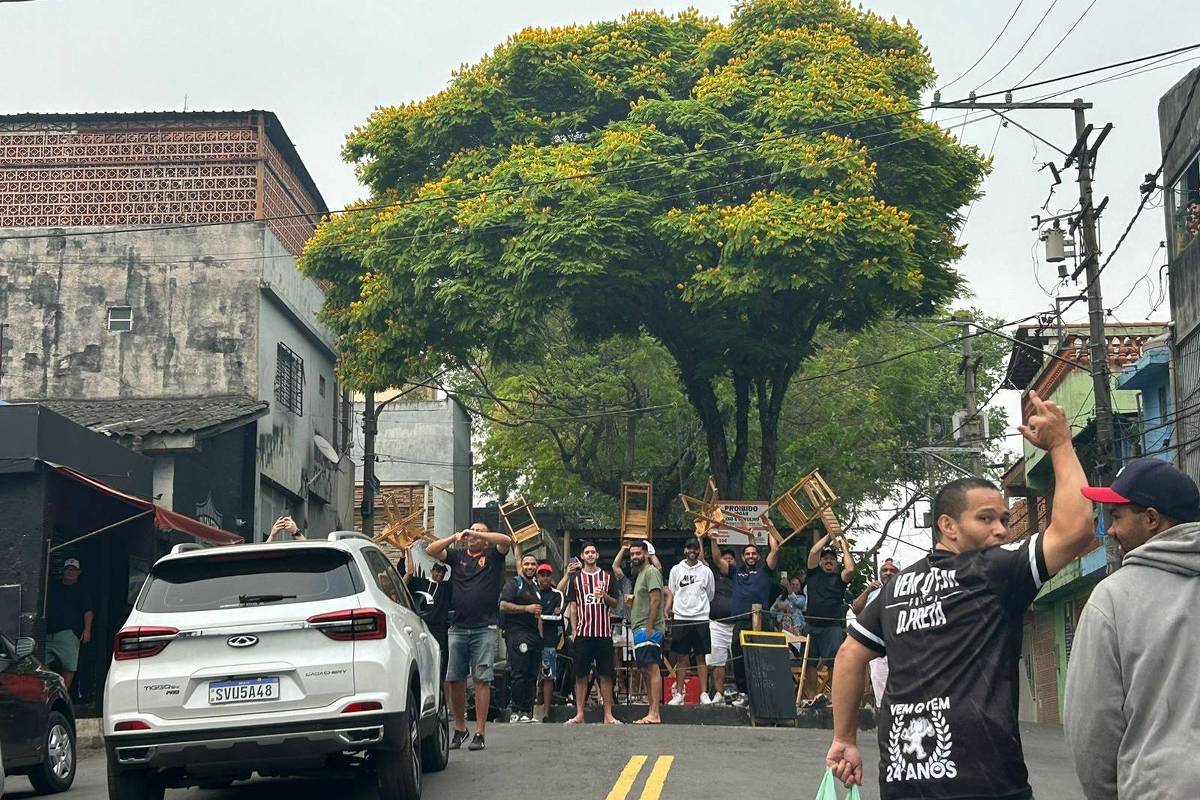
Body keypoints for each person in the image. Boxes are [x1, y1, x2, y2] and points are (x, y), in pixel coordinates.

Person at [826, 390, 1096, 799]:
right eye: (986, 518)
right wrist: (1060, 444)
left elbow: (849, 655)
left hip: (903, 783)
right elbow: (1076, 529)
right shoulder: (996, 569)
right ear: (948, 526)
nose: (1002, 530)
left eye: (1005, 519)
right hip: (983, 783)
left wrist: (844, 738)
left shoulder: (893, 590)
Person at [1064, 458, 1200, 799]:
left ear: (1151, 519)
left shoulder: (1111, 599)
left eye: (1116, 516)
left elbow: (1092, 730)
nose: (1109, 530)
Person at [426, 522, 512, 752]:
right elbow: (431, 550)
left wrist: (478, 533)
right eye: (473, 531)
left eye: (481, 532)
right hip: (458, 626)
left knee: (482, 678)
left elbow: (506, 541)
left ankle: (480, 732)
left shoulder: (493, 555)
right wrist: (455, 536)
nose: (475, 535)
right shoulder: (457, 556)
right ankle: (460, 728)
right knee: (454, 678)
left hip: (484, 627)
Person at [712, 520, 782, 701]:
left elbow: (775, 550)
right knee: (739, 657)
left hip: (762, 620)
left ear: (758, 556)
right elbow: (717, 560)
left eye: (753, 553)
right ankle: (743, 693)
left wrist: (769, 528)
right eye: (747, 554)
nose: (750, 556)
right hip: (741, 621)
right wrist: (713, 541)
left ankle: (764, 693)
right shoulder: (736, 572)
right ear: (743, 557)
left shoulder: (765, 571)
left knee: (763, 657)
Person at [563, 542, 621, 724]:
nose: (590, 555)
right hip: (583, 633)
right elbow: (573, 606)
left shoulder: (607, 577)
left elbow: (615, 603)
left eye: (593, 552)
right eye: (586, 552)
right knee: (580, 674)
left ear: (597, 555)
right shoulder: (576, 579)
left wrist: (604, 596)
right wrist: (573, 630)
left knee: (606, 674)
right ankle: (580, 713)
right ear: (582, 556)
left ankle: (608, 714)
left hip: (603, 633)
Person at [805, 528, 856, 694]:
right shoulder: (813, 574)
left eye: (832, 559)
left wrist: (844, 548)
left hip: (832, 627)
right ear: (820, 562)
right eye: (825, 558)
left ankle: (834, 699)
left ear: (836, 563)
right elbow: (814, 551)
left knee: (834, 663)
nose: (828, 561)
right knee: (809, 663)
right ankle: (811, 696)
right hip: (811, 625)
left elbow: (850, 570)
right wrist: (829, 535)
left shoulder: (839, 578)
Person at [665, 537, 716, 704]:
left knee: (702, 657)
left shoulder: (706, 571)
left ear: (699, 550)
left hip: (701, 617)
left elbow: (710, 593)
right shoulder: (675, 570)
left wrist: (699, 607)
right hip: (681, 617)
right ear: (684, 550)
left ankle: (703, 694)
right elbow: (672, 591)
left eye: (695, 548)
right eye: (689, 548)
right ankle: (678, 694)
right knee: (681, 656)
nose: (692, 551)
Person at [849, 558, 900, 706]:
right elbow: (856, 609)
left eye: (892, 570)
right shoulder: (873, 592)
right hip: (877, 647)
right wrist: (868, 590)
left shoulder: (905, 590)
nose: (888, 573)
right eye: (885, 570)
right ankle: (882, 718)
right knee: (879, 682)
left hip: (899, 645)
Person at [499, 553, 543, 723]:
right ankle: (516, 710)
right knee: (519, 672)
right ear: (522, 566)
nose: (530, 567)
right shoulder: (514, 584)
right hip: (517, 633)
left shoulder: (536, 588)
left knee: (532, 674)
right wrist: (526, 608)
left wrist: (540, 636)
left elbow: (538, 614)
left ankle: (527, 711)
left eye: (533, 564)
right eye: (527, 564)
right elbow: (503, 605)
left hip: (534, 636)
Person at [628, 540, 665, 724]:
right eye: (632, 554)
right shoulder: (641, 574)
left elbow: (656, 600)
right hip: (640, 627)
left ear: (646, 553)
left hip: (648, 628)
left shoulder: (651, 572)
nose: (635, 557)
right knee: (646, 670)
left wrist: (650, 626)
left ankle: (655, 712)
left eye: (638, 553)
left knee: (652, 668)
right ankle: (652, 712)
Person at [45, 558, 92, 692]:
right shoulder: (53, 588)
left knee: (69, 667)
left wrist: (87, 630)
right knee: (40, 667)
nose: (70, 572)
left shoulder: (82, 590)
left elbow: (88, 612)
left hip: (68, 634)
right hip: (48, 634)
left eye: (74, 569)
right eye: (68, 569)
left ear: (79, 572)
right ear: (63, 571)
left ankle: (63, 695)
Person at [405, 556, 451, 686]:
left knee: (439, 661)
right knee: (421, 658)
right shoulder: (420, 583)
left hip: (439, 630)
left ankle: (439, 691)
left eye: (443, 572)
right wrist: (406, 554)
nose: (440, 574)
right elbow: (407, 575)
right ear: (431, 570)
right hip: (421, 627)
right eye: (437, 570)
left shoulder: (446, 588)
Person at [705, 545, 738, 701]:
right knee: (718, 662)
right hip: (717, 624)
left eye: (731, 559)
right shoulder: (713, 575)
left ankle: (742, 692)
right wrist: (701, 539)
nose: (728, 561)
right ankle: (719, 693)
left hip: (737, 624)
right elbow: (702, 561)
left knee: (741, 660)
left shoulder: (740, 576)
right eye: (725, 559)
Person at [535, 563, 567, 721]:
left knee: (548, 677)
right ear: (537, 577)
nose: (545, 578)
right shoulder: (531, 592)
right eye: (542, 575)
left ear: (551, 577)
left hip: (549, 642)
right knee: (528, 674)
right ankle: (527, 710)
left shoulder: (557, 595)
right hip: (531, 639)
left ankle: (546, 713)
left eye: (547, 575)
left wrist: (540, 615)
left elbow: (558, 616)